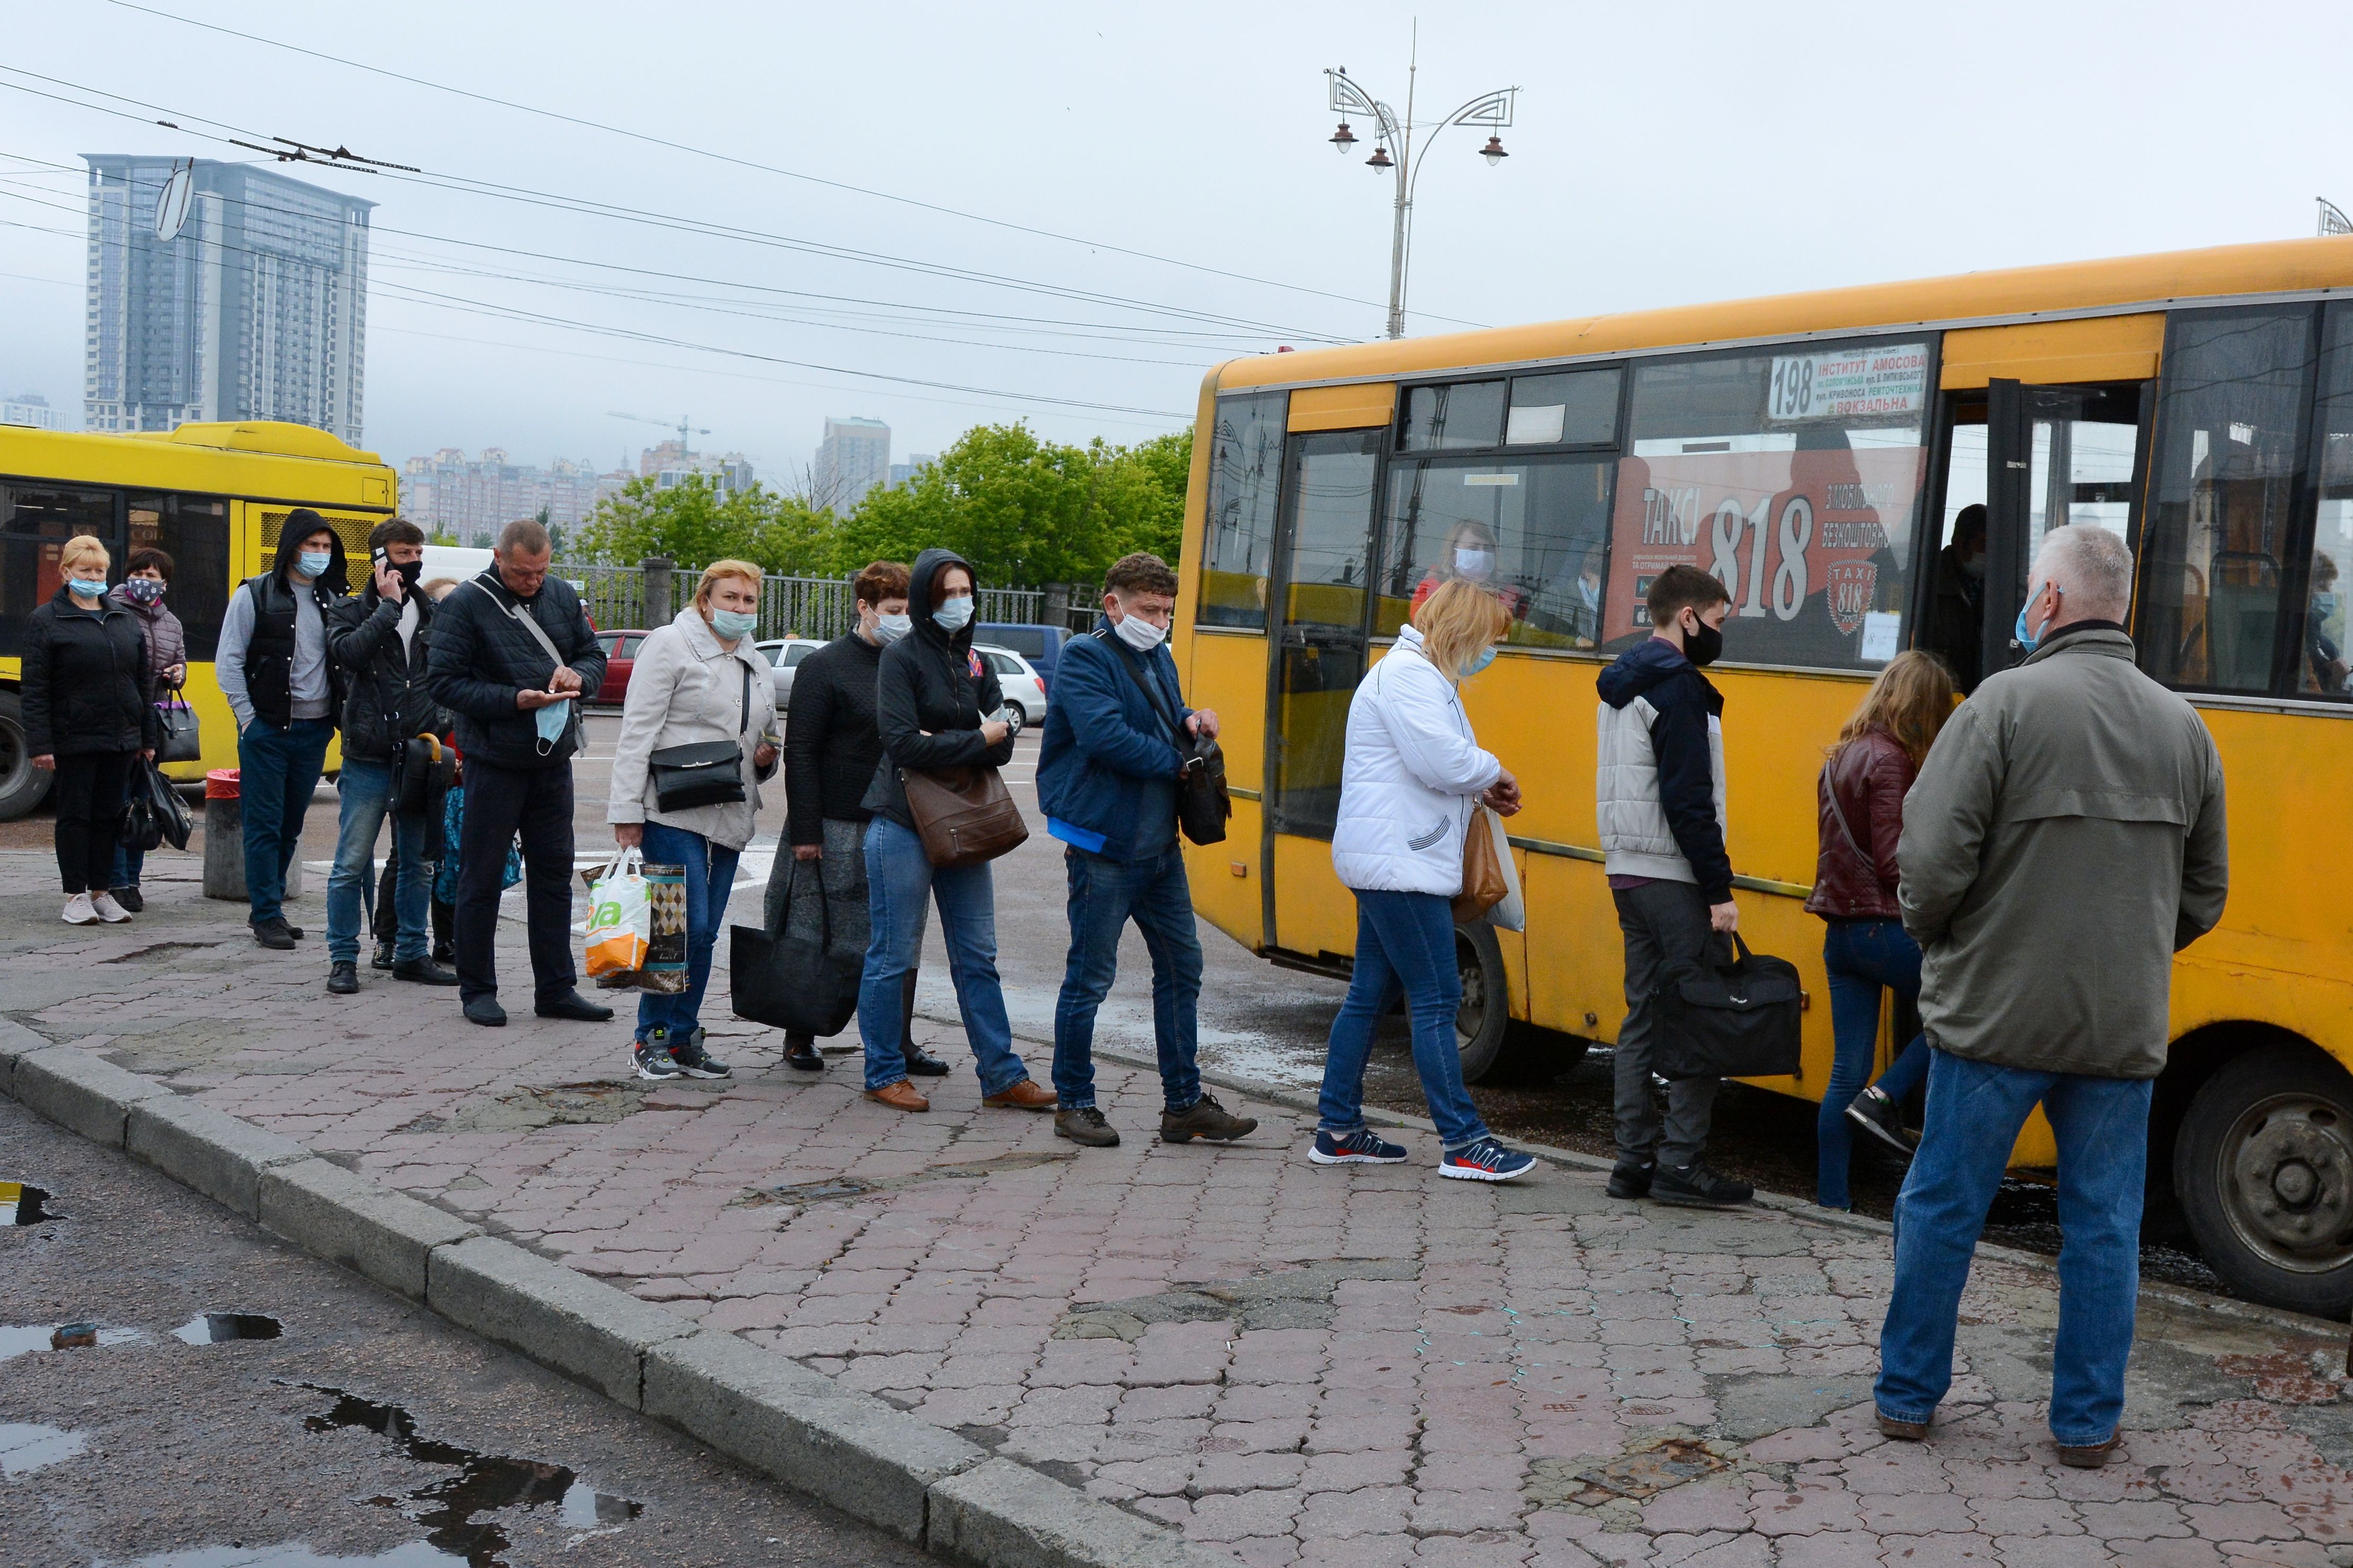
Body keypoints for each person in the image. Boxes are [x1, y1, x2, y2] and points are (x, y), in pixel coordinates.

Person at [1874, 524, 2228, 1468]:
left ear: (2049, 602)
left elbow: (1929, 862)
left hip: (1990, 1017)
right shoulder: (2182, 726)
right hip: (2117, 1028)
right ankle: (2083, 1423)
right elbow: (2203, 891)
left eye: (2029, 589)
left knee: (1942, 1206)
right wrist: (2129, 950)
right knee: (2103, 1226)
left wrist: (1943, 939)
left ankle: (1907, 1398)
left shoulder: (1998, 706)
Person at [1311, 578, 1537, 1181]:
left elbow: (1435, 759)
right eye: (1488, 638)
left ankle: (1337, 1129)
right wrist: (1494, 770)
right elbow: (1440, 759)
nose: (1489, 651)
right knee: (1436, 996)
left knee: (1368, 994)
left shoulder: (1416, 673)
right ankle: (1463, 1142)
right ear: (1464, 630)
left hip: (1391, 858)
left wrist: (1480, 778)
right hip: (1400, 865)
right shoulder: (1410, 676)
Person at [1038, 551, 1258, 1149]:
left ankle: (1183, 1104)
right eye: (1147, 610)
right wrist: (1178, 763)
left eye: (1165, 611)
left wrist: (1190, 719)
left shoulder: (1157, 655)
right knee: (1089, 978)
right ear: (1113, 606)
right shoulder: (1086, 656)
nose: (1158, 621)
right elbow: (1104, 736)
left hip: (1158, 844)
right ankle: (1074, 1103)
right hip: (1103, 843)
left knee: (1182, 968)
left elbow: (1163, 716)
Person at [855, 547, 1056, 1114]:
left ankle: (1001, 1076)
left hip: (965, 821)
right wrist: (975, 736)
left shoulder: (978, 664)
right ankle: (883, 1072)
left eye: (966, 591)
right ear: (924, 597)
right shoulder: (902, 659)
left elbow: (1006, 738)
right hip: (902, 821)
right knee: (891, 955)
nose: (959, 602)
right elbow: (902, 743)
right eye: (946, 592)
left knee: (978, 955)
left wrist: (960, 736)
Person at [1595, 563, 1753, 1209]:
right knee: (1699, 1016)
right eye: (1716, 621)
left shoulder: (1624, 679)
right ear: (1686, 617)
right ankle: (1681, 1164)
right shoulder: (1678, 687)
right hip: (1671, 875)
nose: (1719, 634)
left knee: (1639, 1017)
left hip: (1625, 871)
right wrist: (1718, 890)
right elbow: (1688, 802)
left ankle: (1631, 1161)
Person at [426, 518, 612, 1029]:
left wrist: (580, 676)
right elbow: (442, 683)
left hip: (552, 762)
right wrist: (512, 701)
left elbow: (591, 653)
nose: (534, 581)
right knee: (480, 878)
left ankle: (556, 988)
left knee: (554, 878)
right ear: (498, 556)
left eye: (542, 571)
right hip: (494, 762)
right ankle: (478, 989)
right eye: (523, 572)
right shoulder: (464, 604)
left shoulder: (558, 595)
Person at [766, 560, 940, 1077]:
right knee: (816, 931)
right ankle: (800, 1033)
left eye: (912, 611)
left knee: (900, 934)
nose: (904, 621)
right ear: (863, 607)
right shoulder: (826, 666)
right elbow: (799, 751)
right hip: (838, 823)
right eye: (893, 611)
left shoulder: (918, 664)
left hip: (908, 823)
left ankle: (899, 1041)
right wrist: (806, 831)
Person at [609, 560, 780, 1079]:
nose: (739, 609)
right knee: (679, 928)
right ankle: (651, 1037)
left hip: (730, 808)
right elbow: (637, 729)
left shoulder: (756, 661)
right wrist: (626, 812)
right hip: (672, 806)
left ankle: (684, 1039)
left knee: (703, 934)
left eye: (749, 601)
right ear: (704, 599)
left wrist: (768, 756)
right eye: (730, 598)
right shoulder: (669, 643)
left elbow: (765, 734)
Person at [1802, 650, 1954, 1209]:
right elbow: (1893, 862)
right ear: (1922, 707)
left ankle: (1832, 1202)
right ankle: (1886, 1095)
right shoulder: (1891, 759)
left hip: (1840, 933)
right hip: (1881, 929)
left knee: (1845, 1069)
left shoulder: (1841, 753)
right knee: (1959, 1008)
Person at [323, 519, 456, 996]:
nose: (414, 560)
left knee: (419, 863)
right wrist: (386, 608)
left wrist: (440, 722)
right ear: (381, 558)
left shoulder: (434, 612)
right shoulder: (348, 610)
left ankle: (411, 953)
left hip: (421, 755)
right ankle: (343, 958)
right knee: (351, 861)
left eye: (418, 551)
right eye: (403, 553)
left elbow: (450, 671)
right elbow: (348, 655)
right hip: (368, 756)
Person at [216, 510, 348, 949]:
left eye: (327, 547)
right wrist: (248, 719)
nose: (319, 554)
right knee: (264, 824)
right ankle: (266, 914)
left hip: (314, 731)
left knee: (291, 824)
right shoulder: (255, 594)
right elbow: (229, 661)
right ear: (292, 546)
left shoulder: (334, 600)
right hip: (268, 730)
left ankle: (270, 904)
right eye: (312, 545)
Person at [22, 535, 158, 925]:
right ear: (66, 572)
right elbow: (35, 688)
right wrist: (40, 743)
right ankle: (75, 894)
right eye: (85, 570)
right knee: (75, 816)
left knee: (108, 816)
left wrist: (147, 739)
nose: (94, 576)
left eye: (99, 570)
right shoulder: (46, 621)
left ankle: (102, 891)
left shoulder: (122, 618)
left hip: (120, 737)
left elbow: (142, 682)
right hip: (74, 737)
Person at [106, 548, 186, 913]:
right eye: (138, 572)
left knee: (143, 803)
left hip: (152, 720)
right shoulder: (113, 612)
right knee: (118, 802)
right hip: (119, 719)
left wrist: (178, 673)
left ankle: (133, 880)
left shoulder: (170, 621)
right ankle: (117, 880)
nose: (144, 579)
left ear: (164, 583)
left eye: (152, 575)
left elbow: (179, 659)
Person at [1922, 503, 1988, 691]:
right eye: (1984, 544)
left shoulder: (2001, 588)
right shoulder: (1928, 585)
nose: (1990, 553)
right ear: (1959, 543)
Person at [1408, 518, 1527, 619]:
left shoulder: (1509, 595)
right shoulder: (1432, 592)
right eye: (1473, 548)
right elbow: (1424, 626)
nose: (1482, 554)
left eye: (1487, 549)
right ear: (1453, 553)